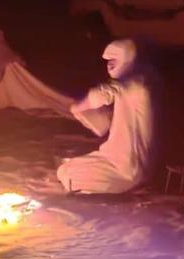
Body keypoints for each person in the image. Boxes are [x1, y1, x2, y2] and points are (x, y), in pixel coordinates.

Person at [56, 39, 160, 194]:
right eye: (107, 61)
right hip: (113, 156)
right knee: (65, 169)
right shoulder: (136, 80)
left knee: (72, 176)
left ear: (127, 59)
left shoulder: (137, 85)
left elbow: (105, 92)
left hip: (129, 167)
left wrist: (77, 107)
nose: (109, 65)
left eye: (114, 60)